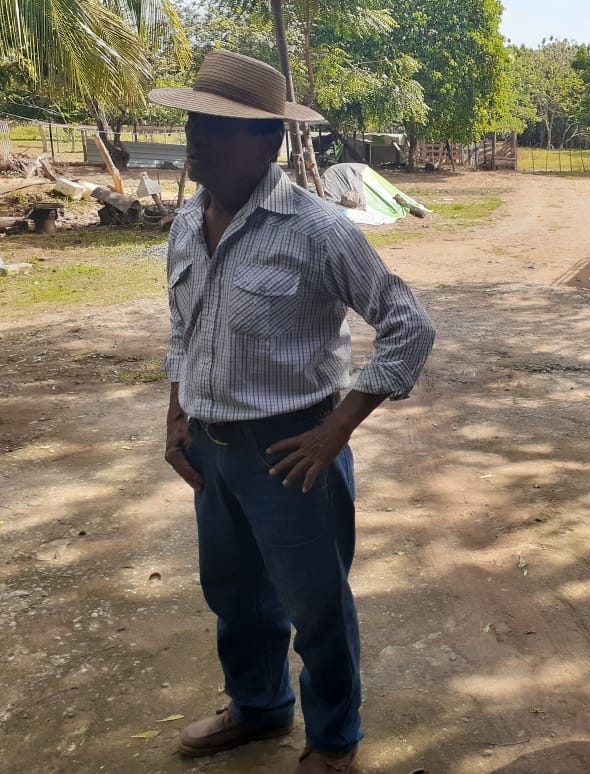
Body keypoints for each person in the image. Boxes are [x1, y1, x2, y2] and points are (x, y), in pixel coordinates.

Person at [150, 51, 435, 774]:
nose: (196, 138)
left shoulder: (315, 229)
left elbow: (409, 323)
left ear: (269, 143)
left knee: (316, 610)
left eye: (218, 127)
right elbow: (184, 329)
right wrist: (176, 416)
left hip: (292, 449)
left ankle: (334, 740)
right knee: (235, 596)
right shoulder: (187, 222)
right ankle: (259, 707)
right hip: (211, 449)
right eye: (193, 121)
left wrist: (337, 427)